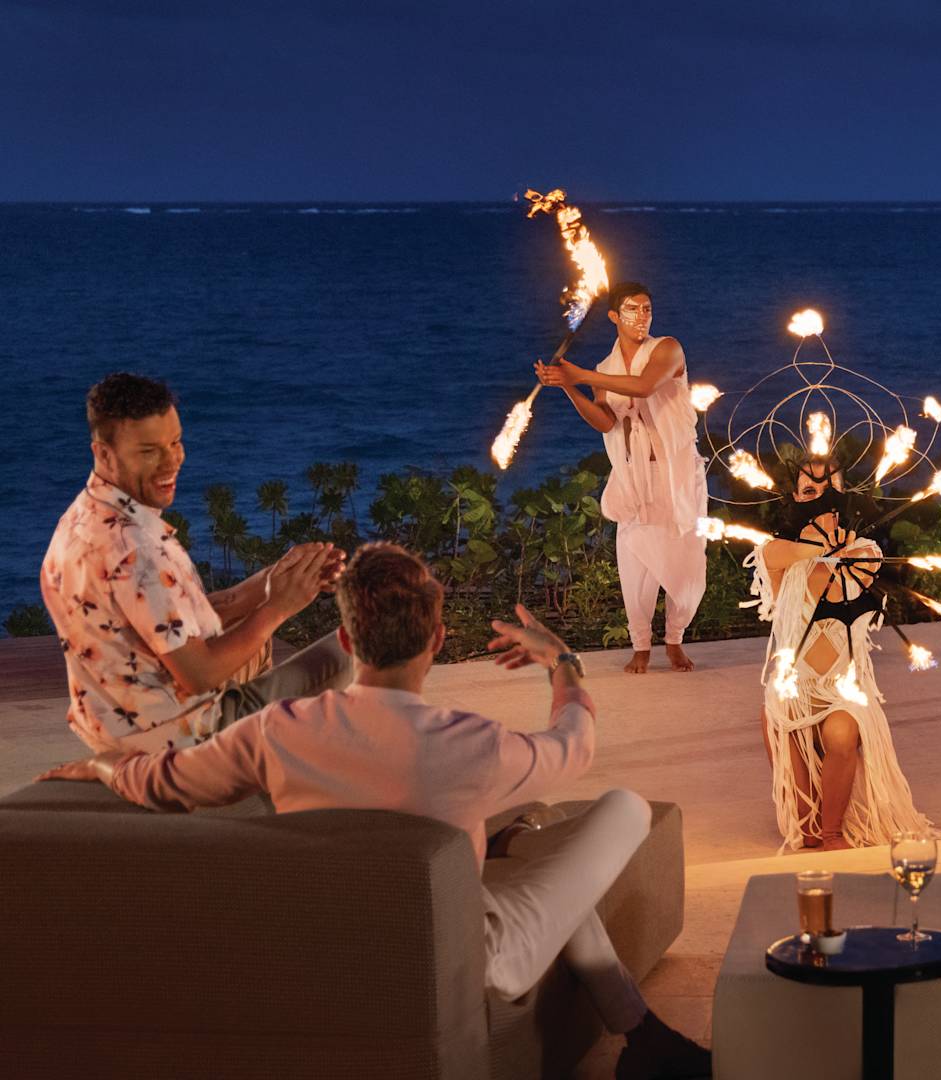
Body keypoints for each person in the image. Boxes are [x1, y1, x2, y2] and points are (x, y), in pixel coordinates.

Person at [38, 543, 710, 1079]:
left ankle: (640, 1033)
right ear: (438, 639)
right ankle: (635, 1026)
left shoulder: (275, 731)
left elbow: (163, 783)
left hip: (328, 947)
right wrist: (561, 662)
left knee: (529, 825)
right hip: (466, 955)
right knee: (620, 809)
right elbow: (576, 743)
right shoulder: (473, 746)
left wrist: (102, 764)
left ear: (348, 642)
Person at [40, 373, 352, 754]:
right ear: (103, 453)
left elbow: (187, 614)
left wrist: (279, 575)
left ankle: (270, 756)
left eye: (175, 442)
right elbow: (199, 675)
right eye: (149, 451)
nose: (172, 461)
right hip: (179, 738)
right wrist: (279, 607)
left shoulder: (81, 519)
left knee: (249, 633)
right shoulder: (135, 551)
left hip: (114, 720)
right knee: (358, 646)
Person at [749, 455, 932, 852]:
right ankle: (814, 822)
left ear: (844, 496)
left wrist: (831, 547)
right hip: (793, 694)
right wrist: (811, 544)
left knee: (841, 730)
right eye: (809, 492)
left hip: (841, 692)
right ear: (796, 499)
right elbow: (775, 555)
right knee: (802, 831)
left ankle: (834, 831)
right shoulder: (779, 556)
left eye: (829, 490)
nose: (819, 498)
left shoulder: (864, 551)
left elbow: (847, 575)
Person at [537, 281, 708, 674]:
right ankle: (642, 646)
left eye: (647, 308)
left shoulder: (668, 349)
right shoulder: (603, 370)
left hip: (676, 475)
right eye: (632, 309)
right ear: (614, 316)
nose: (642, 316)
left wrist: (581, 376)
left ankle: (675, 640)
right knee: (633, 565)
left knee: (685, 563)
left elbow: (645, 387)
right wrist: (569, 387)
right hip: (633, 478)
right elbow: (605, 421)